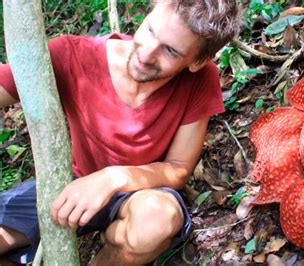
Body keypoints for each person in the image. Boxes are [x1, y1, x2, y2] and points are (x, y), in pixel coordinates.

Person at [0, 0, 241, 265]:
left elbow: (178, 168)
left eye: (170, 51)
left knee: (155, 222)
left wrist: (113, 177)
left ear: (196, 61)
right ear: (151, 10)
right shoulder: (73, 55)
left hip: (139, 192)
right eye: (149, 30)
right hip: (71, 181)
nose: (147, 54)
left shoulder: (201, 79)